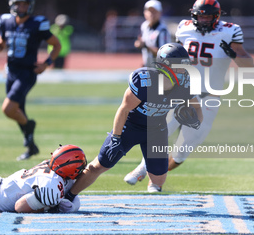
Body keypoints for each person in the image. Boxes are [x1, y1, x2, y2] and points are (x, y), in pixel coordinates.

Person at [124, 0, 254, 190]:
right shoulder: (184, 28)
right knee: (160, 133)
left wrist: (233, 54)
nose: (202, 20)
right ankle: (145, 171)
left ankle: (155, 176)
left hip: (209, 97)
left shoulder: (230, 31)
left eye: (207, 16)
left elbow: (249, 65)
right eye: (199, 16)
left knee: (182, 151)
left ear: (216, 16)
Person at [65, 43, 202, 199]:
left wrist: (194, 121)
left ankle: (145, 175)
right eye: (179, 66)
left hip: (156, 129)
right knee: (100, 165)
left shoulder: (185, 85)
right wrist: (116, 137)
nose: (184, 70)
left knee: (159, 179)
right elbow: (124, 109)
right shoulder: (145, 80)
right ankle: (68, 194)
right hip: (130, 126)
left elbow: (197, 108)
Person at [0, 0, 61, 161]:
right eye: (18, 3)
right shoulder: (5, 21)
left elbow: (56, 45)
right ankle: (31, 147)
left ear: (30, 6)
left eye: (25, 4)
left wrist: (46, 63)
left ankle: (29, 126)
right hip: (11, 71)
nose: (21, 7)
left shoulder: (38, 23)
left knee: (8, 109)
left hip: (27, 73)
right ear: (12, 5)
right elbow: (1, 47)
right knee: (18, 110)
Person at [0, 144, 87, 213]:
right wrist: (49, 207)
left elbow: (70, 192)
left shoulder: (52, 168)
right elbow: (19, 207)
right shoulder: (52, 184)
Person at [134, 0, 171, 67]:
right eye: (150, 11)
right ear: (145, 12)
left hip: (160, 68)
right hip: (148, 66)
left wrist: (145, 46)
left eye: (154, 12)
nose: (151, 14)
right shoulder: (144, 26)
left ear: (160, 13)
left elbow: (163, 54)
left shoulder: (162, 30)